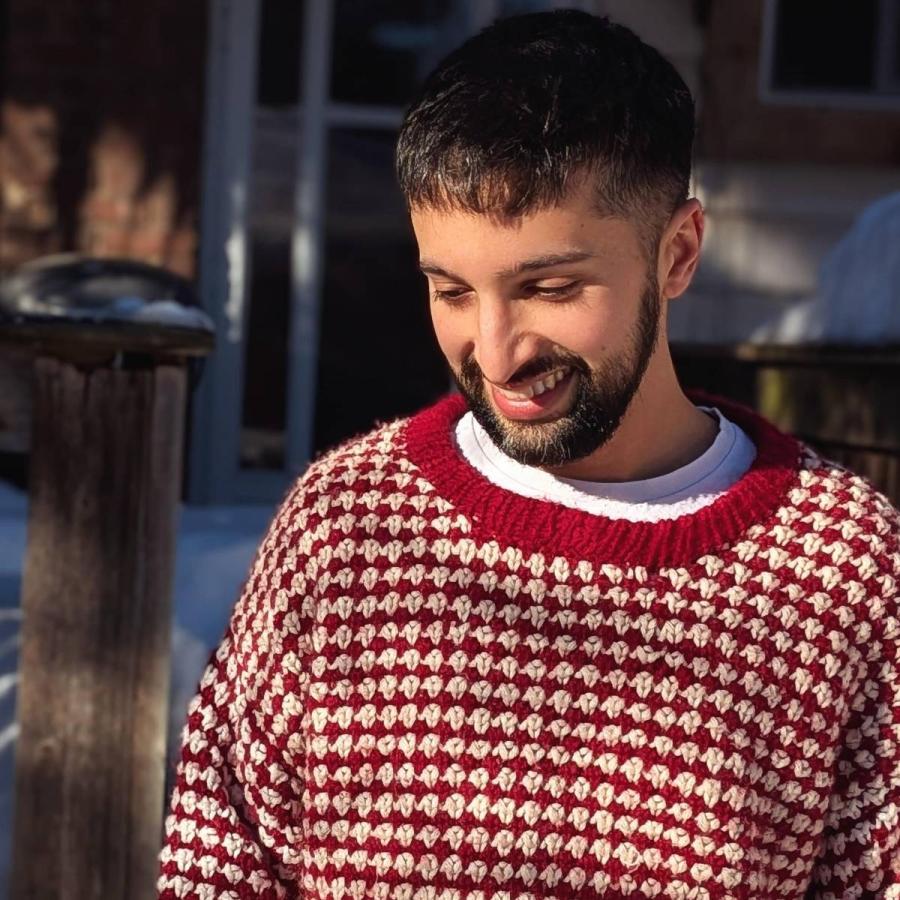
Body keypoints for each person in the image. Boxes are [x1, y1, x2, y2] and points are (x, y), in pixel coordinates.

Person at [158, 11, 900, 899]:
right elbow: (220, 862)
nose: (498, 351)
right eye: (453, 291)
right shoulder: (345, 531)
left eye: (549, 287)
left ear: (679, 253)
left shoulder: (840, 569)